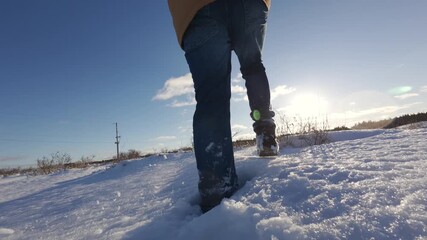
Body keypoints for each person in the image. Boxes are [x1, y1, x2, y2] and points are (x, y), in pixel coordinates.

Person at [168, 0, 278, 213]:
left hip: (194, 7)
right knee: (253, 65)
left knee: (211, 94)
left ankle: (217, 189)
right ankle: (265, 132)